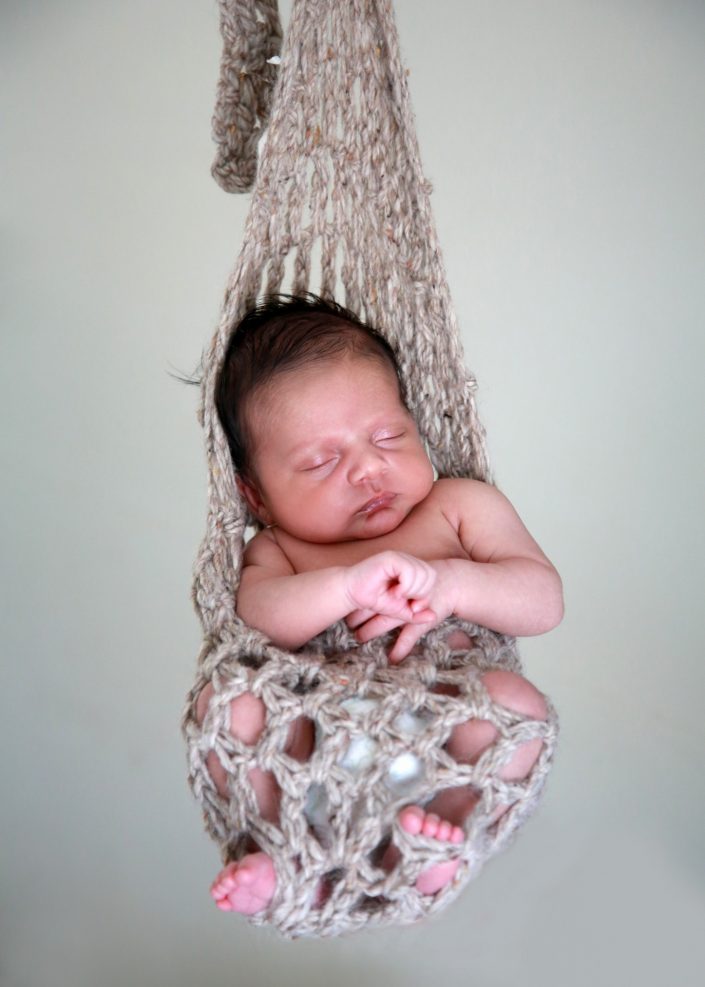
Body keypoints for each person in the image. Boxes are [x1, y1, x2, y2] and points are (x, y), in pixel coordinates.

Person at [195, 294, 563, 915]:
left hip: (438, 739)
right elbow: (257, 618)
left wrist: (448, 583)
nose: (368, 469)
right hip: (314, 746)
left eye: (389, 435)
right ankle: (285, 856)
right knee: (228, 704)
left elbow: (542, 599)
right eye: (321, 461)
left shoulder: (456, 507)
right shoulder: (280, 548)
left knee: (520, 711)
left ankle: (424, 848)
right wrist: (344, 587)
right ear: (255, 496)